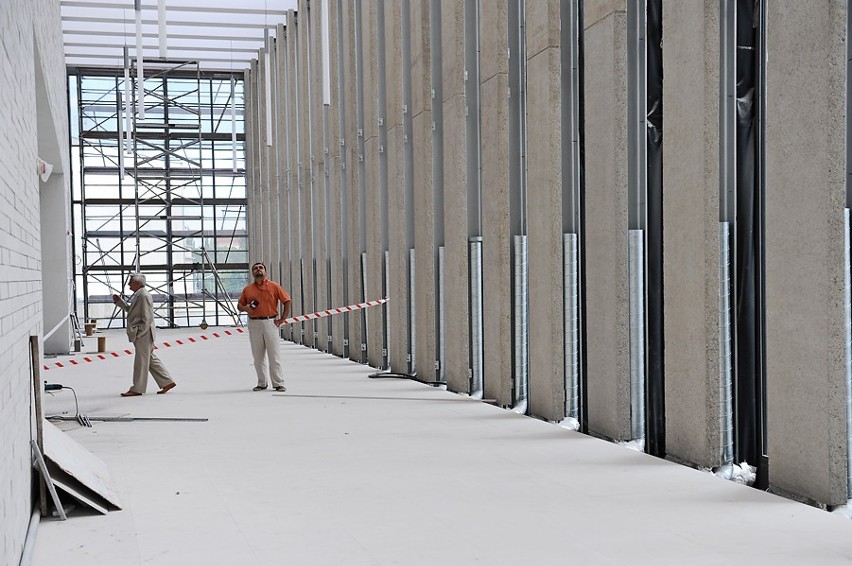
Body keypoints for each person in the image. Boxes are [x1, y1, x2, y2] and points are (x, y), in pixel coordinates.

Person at [112, 273, 177, 397]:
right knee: (149, 358)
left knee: (141, 361)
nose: (128, 284)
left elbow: (147, 317)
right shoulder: (139, 295)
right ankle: (167, 382)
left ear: (138, 283)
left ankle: (137, 388)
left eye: (131, 281)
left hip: (144, 334)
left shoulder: (144, 296)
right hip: (143, 333)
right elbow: (132, 311)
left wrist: (139, 332)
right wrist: (120, 302)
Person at [237, 262, 291, 392]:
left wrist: (282, 318)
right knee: (258, 356)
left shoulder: (274, 286)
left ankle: (278, 383)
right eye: (255, 268)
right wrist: (245, 308)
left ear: (265, 272)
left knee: (274, 355)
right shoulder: (248, 289)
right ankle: (262, 383)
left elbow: (287, 300)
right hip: (254, 324)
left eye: (260, 268)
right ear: (252, 273)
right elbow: (239, 305)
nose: (258, 270)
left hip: (270, 323)